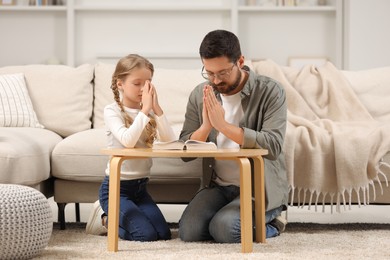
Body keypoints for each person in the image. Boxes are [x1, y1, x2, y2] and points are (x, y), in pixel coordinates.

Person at [178, 30, 289, 243]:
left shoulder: (270, 91)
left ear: (240, 61)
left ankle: (273, 222)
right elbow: (185, 152)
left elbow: (273, 145)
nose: (215, 80)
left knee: (226, 229)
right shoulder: (200, 94)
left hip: (257, 186)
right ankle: (237, 220)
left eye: (222, 72)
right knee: (189, 231)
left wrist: (223, 126)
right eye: (209, 73)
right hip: (218, 186)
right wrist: (206, 126)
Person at [86, 54, 175, 241]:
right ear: (120, 84)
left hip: (140, 189)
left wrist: (156, 108)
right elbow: (128, 141)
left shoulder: (149, 112)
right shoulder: (113, 111)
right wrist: (144, 110)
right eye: (137, 83)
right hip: (116, 189)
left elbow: (169, 141)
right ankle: (104, 219)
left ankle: (119, 216)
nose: (143, 88)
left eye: (148, 83)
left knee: (163, 234)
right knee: (145, 235)